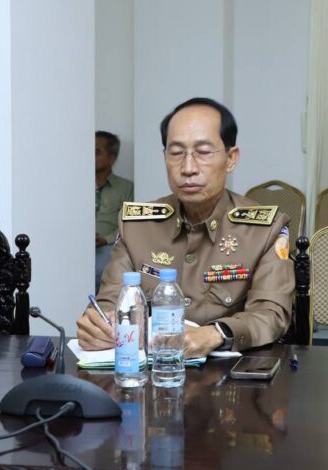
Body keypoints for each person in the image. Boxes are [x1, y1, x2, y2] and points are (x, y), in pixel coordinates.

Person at [77, 98, 295, 357]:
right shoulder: (137, 226)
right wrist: (99, 325)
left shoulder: (265, 229)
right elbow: (110, 301)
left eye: (203, 152)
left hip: (232, 373)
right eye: (176, 153)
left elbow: (271, 313)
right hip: (153, 371)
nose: (188, 168)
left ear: (231, 158)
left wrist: (216, 334)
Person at [95, 130, 134, 291]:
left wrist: (106, 239)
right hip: (74, 243)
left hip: (107, 245)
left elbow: (129, 224)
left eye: (97, 152)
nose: (90, 156)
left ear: (112, 158)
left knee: (102, 270)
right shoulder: (75, 184)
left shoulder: (126, 188)